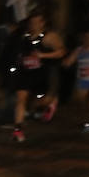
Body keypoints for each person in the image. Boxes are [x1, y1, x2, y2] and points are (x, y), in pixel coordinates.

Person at [9, 12, 65, 143]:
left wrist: (43, 56)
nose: (33, 25)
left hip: (41, 73)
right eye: (31, 22)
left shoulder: (49, 37)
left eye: (37, 22)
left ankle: (50, 103)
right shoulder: (25, 36)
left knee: (41, 101)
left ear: (43, 22)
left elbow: (61, 52)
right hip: (25, 73)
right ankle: (18, 130)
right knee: (21, 99)